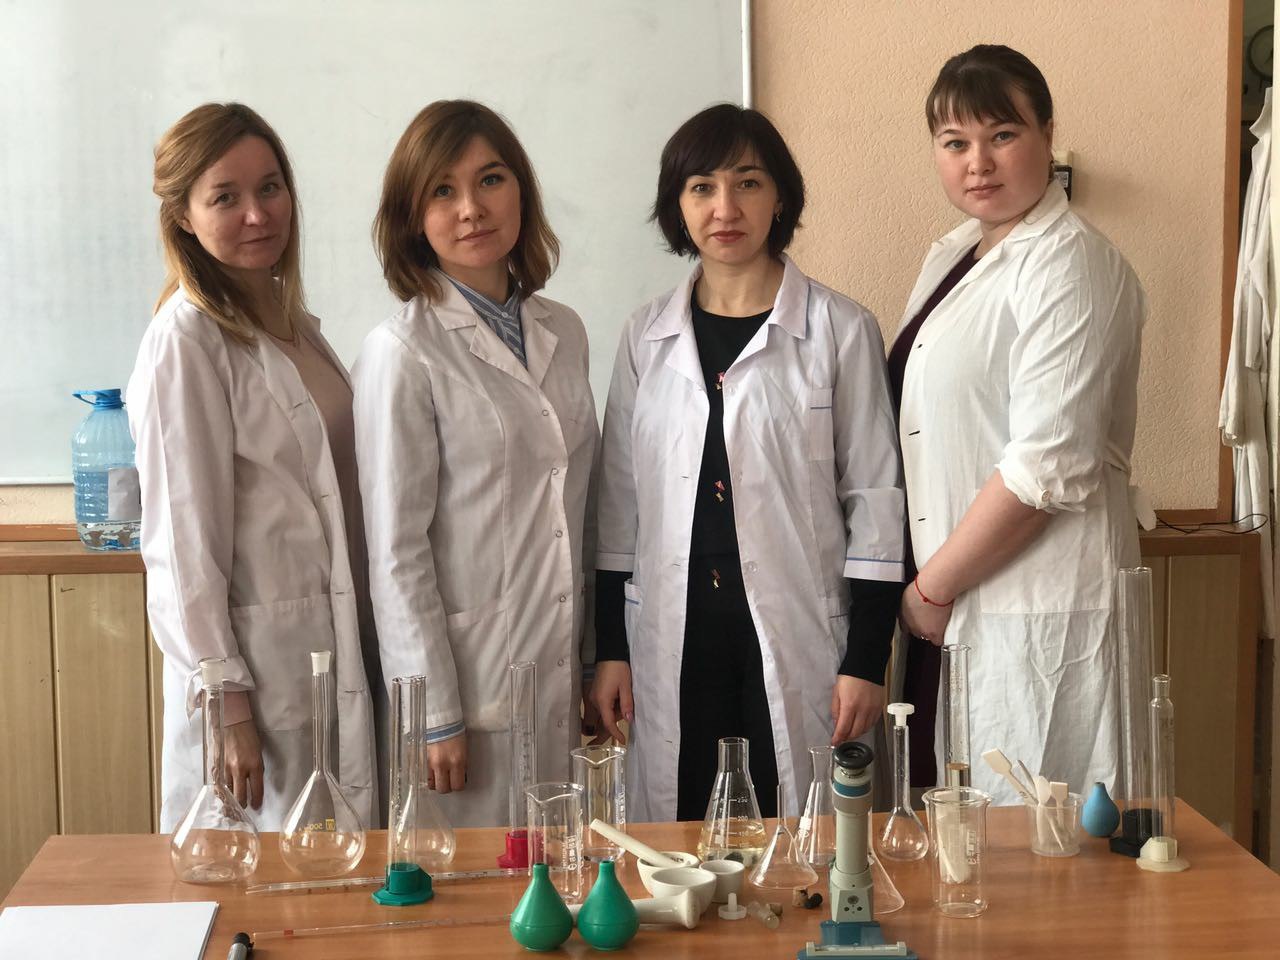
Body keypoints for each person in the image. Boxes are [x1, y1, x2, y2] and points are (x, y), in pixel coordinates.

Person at [591, 104, 904, 822]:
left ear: (780, 197)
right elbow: (619, 504)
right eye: (701, 187)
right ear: (678, 205)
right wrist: (611, 648)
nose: (724, 208)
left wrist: (865, 658)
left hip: (799, 631)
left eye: (748, 183)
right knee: (681, 835)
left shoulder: (841, 329)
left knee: (802, 837)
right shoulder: (645, 336)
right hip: (675, 632)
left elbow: (876, 503)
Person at [892, 45, 1146, 804]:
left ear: (1047, 134)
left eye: (1002, 134)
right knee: (958, 835)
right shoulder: (956, 254)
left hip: (1019, 610)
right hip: (952, 607)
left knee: (1034, 837)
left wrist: (931, 590)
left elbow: (1047, 467)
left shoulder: (1071, 263)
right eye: (954, 142)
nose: (978, 162)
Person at [128, 103, 378, 831]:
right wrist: (227, 705)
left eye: (270, 187)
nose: (257, 214)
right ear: (183, 217)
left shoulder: (292, 325)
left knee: (336, 864)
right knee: (262, 874)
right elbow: (182, 547)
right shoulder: (186, 341)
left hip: (329, 655)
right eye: (225, 197)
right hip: (256, 684)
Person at [354, 100, 598, 828]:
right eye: (442, 190)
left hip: (556, 670)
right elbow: (396, 551)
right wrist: (432, 713)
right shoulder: (403, 351)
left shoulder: (564, 331)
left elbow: (578, 509)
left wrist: (592, 660)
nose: (471, 209)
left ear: (520, 188)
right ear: (413, 217)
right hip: (465, 691)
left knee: (556, 874)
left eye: (490, 179)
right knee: (469, 887)